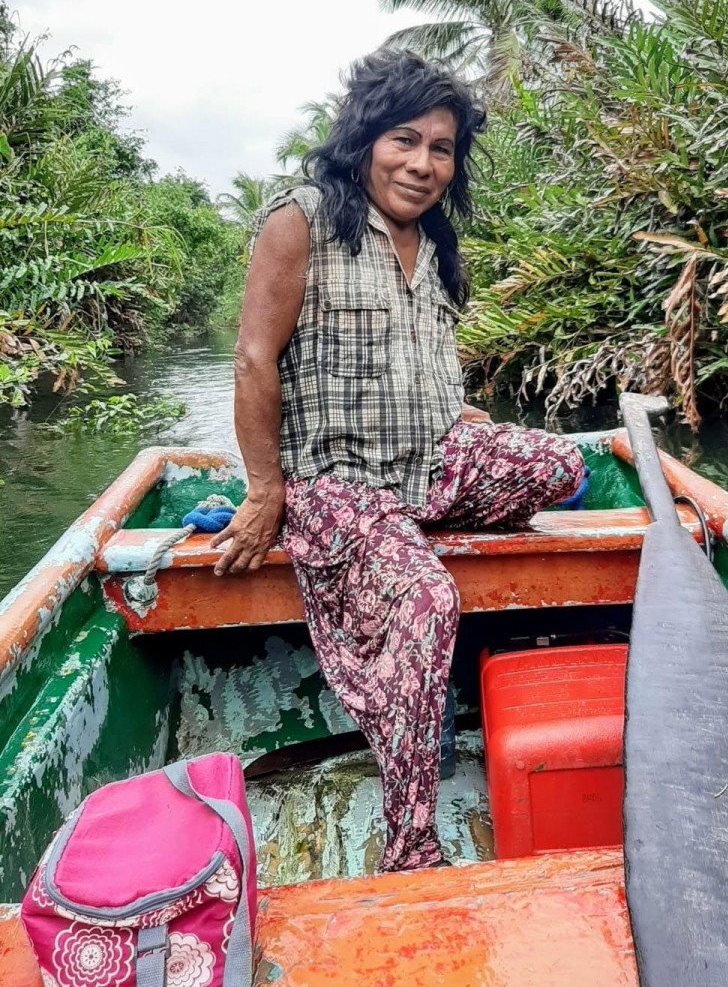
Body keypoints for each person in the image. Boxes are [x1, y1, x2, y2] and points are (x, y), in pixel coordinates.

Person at [211, 50, 584, 873]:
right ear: (365, 138)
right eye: (404, 140)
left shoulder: (440, 244)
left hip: (429, 460)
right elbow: (251, 360)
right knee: (424, 602)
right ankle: (410, 845)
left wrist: (458, 417)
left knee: (557, 463)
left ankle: (398, 532)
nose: (421, 164)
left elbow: (427, 357)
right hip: (336, 478)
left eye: (441, 148)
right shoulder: (302, 219)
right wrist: (267, 491)